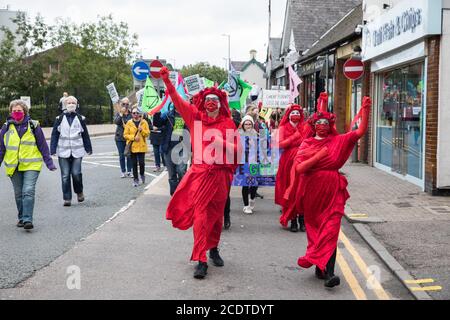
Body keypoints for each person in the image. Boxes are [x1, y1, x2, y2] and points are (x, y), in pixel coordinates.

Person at [281, 93, 372, 288]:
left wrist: (366, 110)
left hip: (333, 191)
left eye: (325, 122)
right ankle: (320, 265)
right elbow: (299, 168)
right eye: (318, 122)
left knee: (331, 231)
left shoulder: (337, 141)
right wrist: (318, 156)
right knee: (317, 231)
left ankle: (330, 273)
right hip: (312, 193)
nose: (322, 125)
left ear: (329, 124)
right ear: (313, 126)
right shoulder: (307, 143)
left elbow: (360, 132)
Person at [160, 66, 241, 279]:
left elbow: (237, 152)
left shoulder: (228, 122)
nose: (211, 103)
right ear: (203, 102)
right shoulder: (195, 117)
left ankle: (213, 248)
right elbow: (178, 101)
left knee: (215, 218)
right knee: (200, 216)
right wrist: (168, 83)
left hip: (221, 176)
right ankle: (201, 258)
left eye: (215, 100)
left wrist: (221, 142)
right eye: (208, 100)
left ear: (220, 103)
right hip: (200, 173)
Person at [0, 100, 57, 230]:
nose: (16, 113)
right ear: (10, 112)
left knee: (28, 191)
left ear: (25, 112)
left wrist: (49, 163)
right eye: (14, 111)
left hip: (31, 165)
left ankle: (27, 220)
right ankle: (21, 217)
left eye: (19, 111)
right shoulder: (6, 127)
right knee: (19, 193)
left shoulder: (33, 125)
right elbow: (1, 148)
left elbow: (42, 145)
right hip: (13, 166)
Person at [51, 96, 92, 207]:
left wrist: (88, 148)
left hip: (77, 151)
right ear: (65, 104)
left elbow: (85, 134)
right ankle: (67, 198)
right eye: (69, 102)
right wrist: (53, 149)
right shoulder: (59, 119)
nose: (71, 104)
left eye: (73, 102)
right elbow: (54, 134)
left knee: (76, 174)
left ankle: (79, 192)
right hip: (63, 152)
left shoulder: (80, 118)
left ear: (77, 104)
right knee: (65, 176)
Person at [275, 104, 309, 233]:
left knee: (302, 189)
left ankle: (302, 219)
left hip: (302, 160)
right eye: (293, 113)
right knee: (290, 189)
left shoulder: (305, 127)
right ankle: (293, 219)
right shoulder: (283, 128)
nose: (296, 116)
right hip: (288, 162)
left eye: (298, 113)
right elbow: (278, 145)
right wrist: (294, 137)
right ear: (288, 115)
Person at [152, 106, 188, 196]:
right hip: (168, 148)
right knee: (172, 174)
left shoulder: (187, 115)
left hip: (182, 147)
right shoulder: (167, 115)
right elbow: (157, 123)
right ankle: (174, 195)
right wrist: (156, 112)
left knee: (181, 170)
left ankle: (182, 192)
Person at [124, 106, 150, 187]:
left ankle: (142, 174)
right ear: (131, 114)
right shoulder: (129, 123)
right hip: (132, 147)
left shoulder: (144, 122)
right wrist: (133, 137)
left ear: (140, 114)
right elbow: (125, 135)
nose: (135, 114)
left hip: (141, 146)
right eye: (133, 113)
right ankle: (135, 179)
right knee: (134, 164)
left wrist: (142, 130)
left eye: (137, 113)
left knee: (142, 163)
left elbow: (147, 133)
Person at [239, 115, 259, 214]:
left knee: (254, 184)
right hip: (243, 162)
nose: (248, 126)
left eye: (250, 124)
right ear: (243, 125)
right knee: (245, 184)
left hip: (254, 162)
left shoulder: (257, 135)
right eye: (246, 124)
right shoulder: (238, 135)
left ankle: (252, 199)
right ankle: (246, 205)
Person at [114, 98, 133, 178]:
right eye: (123, 104)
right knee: (121, 155)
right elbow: (116, 122)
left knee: (129, 154)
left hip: (128, 137)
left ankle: (129, 170)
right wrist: (121, 114)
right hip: (120, 137)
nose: (125, 106)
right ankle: (123, 171)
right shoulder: (119, 113)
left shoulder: (131, 114)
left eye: (127, 104)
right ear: (121, 104)